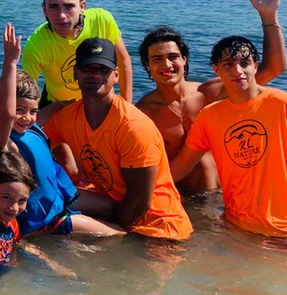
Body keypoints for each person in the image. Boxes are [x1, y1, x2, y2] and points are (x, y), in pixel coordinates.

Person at [170, 36, 287, 247]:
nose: (238, 71)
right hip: (236, 230)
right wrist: (144, 189)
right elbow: (181, 165)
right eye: (228, 64)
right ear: (216, 69)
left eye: (245, 63)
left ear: (255, 66)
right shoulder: (209, 116)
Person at [136, 0, 287, 192]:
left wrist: (268, 16)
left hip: (224, 198)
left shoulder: (210, 93)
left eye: (173, 57)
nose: (167, 65)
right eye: (157, 59)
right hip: (185, 202)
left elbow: (273, 68)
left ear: (184, 59)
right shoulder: (145, 112)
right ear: (147, 65)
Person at [0, 24, 124, 236]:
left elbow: (39, 116)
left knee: (111, 208)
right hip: (46, 220)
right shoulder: (0, 141)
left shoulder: (28, 125)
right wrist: (10, 62)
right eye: (19, 109)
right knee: (118, 233)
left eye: (32, 111)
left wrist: (61, 105)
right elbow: (7, 116)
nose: (26, 117)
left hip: (60, 200)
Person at [43, 38, 193, 240]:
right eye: (88, 69)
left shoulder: (133, 126)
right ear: (75, 73)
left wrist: (110, 233)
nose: (95, 75)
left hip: (161, 230)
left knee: (61, 229)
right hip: (120, 212)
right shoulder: (66, 118)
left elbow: (140, 202)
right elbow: (32, 139)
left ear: (115, 75)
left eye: (103, 70)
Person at [0, 152, 75, 278]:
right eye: (6, 197)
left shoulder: (12, 224)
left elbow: (23, 244)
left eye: (22, 200)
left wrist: (55, 266)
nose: (14, 208)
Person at [22, 0, 133, 104]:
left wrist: (127, 104)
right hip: (60, 106)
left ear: (82, 7)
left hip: (101, 102)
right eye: (53, 7)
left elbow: (123, 60)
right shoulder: (36, 45)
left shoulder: (102, 20)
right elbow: (26, 92)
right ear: (44, 10)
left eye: (69, 6)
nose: (62, 15)